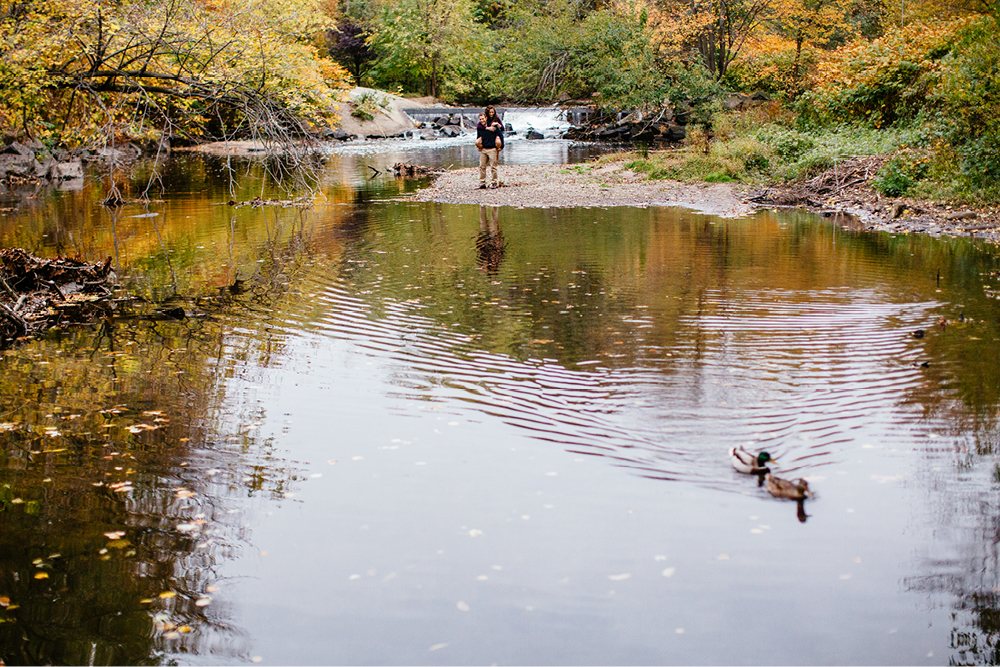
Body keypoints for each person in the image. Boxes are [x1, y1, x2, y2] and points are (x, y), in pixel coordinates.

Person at [475, 112, 501, 189]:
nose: (482, 120)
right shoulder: (479, 127)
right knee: (482, 166)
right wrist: (478, 145)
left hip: (492, 148)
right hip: (484, 149)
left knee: (493, 167)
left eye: (483, 118)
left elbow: (500, 133)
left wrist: (501, 146)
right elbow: (478, 135)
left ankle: (494, 182)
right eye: (480, 119)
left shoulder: (492, 125)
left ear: (486, 118)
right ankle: (482, 183)